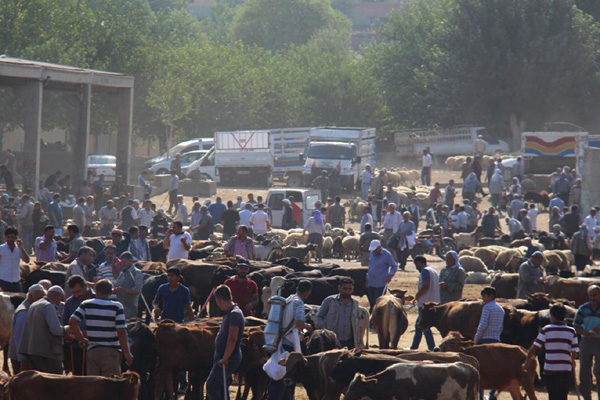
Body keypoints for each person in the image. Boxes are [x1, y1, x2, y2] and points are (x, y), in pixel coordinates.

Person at [69, 279, 133, 377]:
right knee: (111, 384)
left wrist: (80, 339)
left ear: (95, 290)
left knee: (93, 385)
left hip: (92, 351)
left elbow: (72, 321)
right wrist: (127, 353)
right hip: (110, 351)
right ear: (111, 292)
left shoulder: (86, 304)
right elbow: (121, 331)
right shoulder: (117, 306)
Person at [269, 280, 313, 400]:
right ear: (308, 292)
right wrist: (308, 327)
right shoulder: (298, 303)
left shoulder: (288, 300)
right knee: (285, 376)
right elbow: (299, 323)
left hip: (280, 341)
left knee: (279, 375)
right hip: (290, 343)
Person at [524, 304, 578, 400]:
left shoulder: (546, 330)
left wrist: (527, 363)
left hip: (550, 369)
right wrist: (572, 361)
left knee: (553, 396)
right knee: (563, 396)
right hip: (565, 369)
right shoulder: (571, 331)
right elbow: (574, 352)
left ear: (552, 316)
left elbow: (534, 348)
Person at [205, 285, 245, 400]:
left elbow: (232, 338)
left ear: (219, 299)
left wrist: (226, 358)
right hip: (222, 355)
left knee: (212, 385)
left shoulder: (234, 314)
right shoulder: (229, 313)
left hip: (228, 357)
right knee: (222, 386)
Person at [18, 285, 66, 374]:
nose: (60, 303)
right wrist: (66, 329)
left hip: (33, 351)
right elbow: (55, 330)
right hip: (47, 353)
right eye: (60, 299)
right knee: (55, 382)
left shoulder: (34, 304)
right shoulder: (48, 306)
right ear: (57, 296)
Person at [62, 275, 95, 375]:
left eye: (78, 291)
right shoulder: (69, 302)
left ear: (85, 286)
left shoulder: (98, 298)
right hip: (76, 347)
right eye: (73, 292)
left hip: (95, 347)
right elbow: (65, 323)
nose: (76, 295)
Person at [316, 277, 362, 349]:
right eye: (345, 288)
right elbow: (319, 316)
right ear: (339, 288)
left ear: (353, 289)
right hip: (331, 340)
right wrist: (324, 329)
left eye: (349, 289)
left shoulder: (355, 304)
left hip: (349, 341)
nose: (347, 291)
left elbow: (357, 321)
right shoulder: (330, 301)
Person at [9, 284, 45, 374]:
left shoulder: (30, 310)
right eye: (38, 298)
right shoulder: (24, 313)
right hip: (22, 360)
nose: (41, 301)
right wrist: (23, 361)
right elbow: (19, 338)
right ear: (30, 296)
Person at [574, 285, 600, 400]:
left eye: (594, 295)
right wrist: (584, 332)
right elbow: (576, 325)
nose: (592, 298)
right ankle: (586, 397)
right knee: (584, 372)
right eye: (590, 295)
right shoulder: (583, 309)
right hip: (586, 341)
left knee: (599, 371)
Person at [410, 256, 439, 350]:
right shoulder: (433, 271)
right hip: (433, 300)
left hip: (425, 303)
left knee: (423, 325)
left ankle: (431, 347)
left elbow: (425, 286)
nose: (416, 267)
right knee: (419, 325)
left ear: (418, 262)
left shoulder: (425, 271)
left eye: (416, 265)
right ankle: (414, 346)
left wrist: (417, 296)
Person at [366, 240, 397, 310]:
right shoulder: (372, 253)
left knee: (378, 302)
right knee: (371, 302)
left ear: (379, 247)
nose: (374, 252)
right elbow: (370, 267)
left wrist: (390, 275)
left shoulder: (387, 254)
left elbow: (394, 266)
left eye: (375, 250)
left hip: (381, 282)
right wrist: (367, 279)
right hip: (371, 282)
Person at [113, 252, 143, 319]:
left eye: (124, 262)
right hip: (120, 307)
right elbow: (115, 284)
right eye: (121, 262)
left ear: (130, 261)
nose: (122, 264)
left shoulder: (137, 273)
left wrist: (122, 290)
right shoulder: (123, 273)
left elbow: (137, 290)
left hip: (131, 307)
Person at [0, 226, 30, 292]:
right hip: (3, 282)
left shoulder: (19, 249)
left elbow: (27, 261)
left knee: (19, 301)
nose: (10, 239)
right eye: (8, 237)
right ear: (5, 237)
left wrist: (21, 248)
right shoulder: (1, 249)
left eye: (12, 237)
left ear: (16, 238)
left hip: (16, 282)